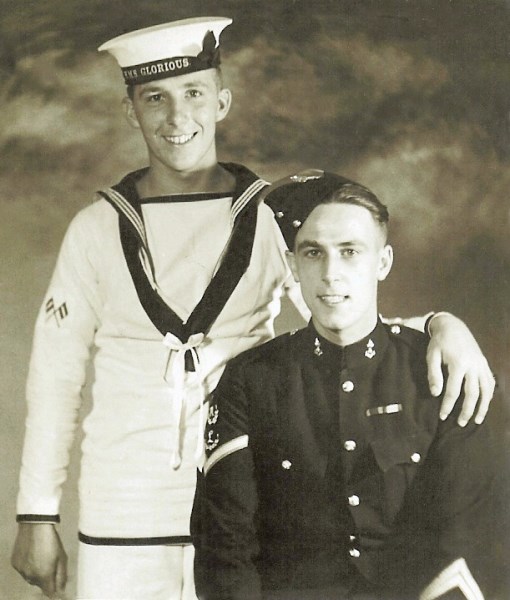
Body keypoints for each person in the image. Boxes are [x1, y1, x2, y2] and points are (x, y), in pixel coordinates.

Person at [11, 16, 494, 600]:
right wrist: (36, 513)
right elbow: (55, 375)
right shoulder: (96, 229)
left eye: (193, 93)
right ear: (129, 111)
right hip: (125, 508)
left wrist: (442, 325)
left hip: (251, 505)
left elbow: (341, 308)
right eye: (154, 98)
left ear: (223, 101)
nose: (176, 117)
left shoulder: (272, 217)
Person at [192, 171, 498, 600]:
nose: (331, 274)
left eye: (350, 252)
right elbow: (225, 548)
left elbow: (464, 541)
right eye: (313, 253)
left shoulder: (439, 373)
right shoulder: (251, 380)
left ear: (383, 262)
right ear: (294, 265)